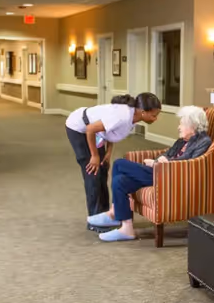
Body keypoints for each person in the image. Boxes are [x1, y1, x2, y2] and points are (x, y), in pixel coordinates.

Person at [88, 106, 212, 242]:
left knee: (119, 163)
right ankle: (127, 229)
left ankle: (113, 212)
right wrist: (157, 160)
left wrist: (163, 163)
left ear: (193, 125)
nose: (179, 127)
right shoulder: (183, 140)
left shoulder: (204, 142)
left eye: (182, 123)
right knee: (120, 181)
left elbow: (191, 164)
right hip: (160, 171)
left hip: (170, 177)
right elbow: (167, 153)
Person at [65, 93, 162, 230]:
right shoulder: (122, 116)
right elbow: (90, 129)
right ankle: (94, 221)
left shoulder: (132, 117)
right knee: (92, 173)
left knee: (102, 170)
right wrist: (94, 155)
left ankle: (104, 215)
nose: (155, 119)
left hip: (95, 133)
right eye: (154, 115)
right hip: (78, 127)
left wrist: (108, 153)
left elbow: (111, 132)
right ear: (143, 112)